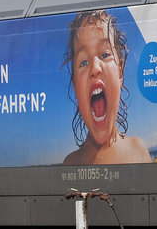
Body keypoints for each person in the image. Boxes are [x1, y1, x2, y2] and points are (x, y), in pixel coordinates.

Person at [63, 10, 150, 165]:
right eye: (83, 62)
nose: (95, 68)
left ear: (120, 71)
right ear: (75, 86)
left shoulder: (138, 151)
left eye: (105, 55)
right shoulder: (71, 163)